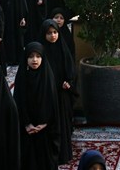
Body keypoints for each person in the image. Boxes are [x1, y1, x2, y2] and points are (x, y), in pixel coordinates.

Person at [15, 42, 60, 170]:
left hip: (45, 130)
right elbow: (18, 103)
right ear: (25, 58)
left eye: (38, 56)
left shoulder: (48, 77)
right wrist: (26, 124)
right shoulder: (21, 77)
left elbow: (53, 105)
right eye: (31, 56)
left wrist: (45, 123)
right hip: (27, 130)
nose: (34, 60)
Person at [41, 18, 76, 165]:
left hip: (61, 95)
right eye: (49, 33)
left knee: (62, 125)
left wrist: (69, 83)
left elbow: (70, 71)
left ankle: (63, 154)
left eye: (55, 32)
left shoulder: (63, 48)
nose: (53, 36)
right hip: (47, 95)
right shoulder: (40, 52)